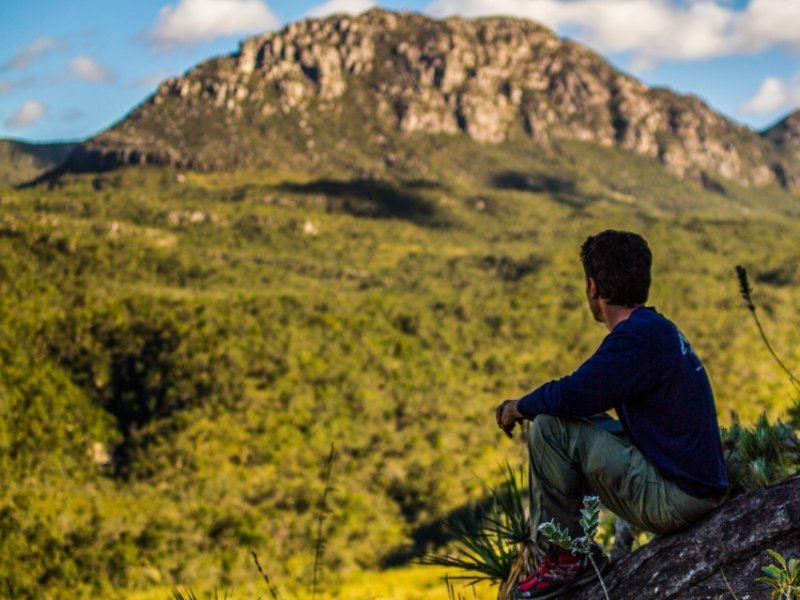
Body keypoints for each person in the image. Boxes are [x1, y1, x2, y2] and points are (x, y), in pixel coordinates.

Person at [495, 230, 728, 600]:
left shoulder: (634, 340)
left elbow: (571, 393)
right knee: (571, 419)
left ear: (593, 287)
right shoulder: (655, 328)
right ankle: (573, 554)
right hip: (695, 485)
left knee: (549, 428)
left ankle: (567, 559)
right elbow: (582, 397)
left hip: (678, 499)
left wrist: (516, 408)